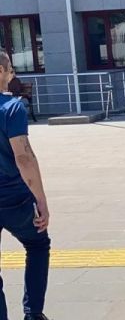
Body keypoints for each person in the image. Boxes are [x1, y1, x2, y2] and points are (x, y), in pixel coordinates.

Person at [0, 52, 51, 320]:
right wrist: (41, 199)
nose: (14, 74)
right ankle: (33, 313)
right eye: (11, 69)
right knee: (38, 244)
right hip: (14, 197)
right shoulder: (12, 108)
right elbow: (23, 157)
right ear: (1, 71)